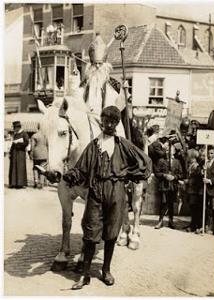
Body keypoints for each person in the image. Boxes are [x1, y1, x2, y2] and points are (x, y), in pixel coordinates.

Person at [63, 106, 152, 290]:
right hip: (96, 191)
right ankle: (85, 275)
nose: (109, 124)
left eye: (113, 121)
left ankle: (106, 270)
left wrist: (128, 173)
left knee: (111, 232)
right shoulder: (94, 145)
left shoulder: (123, 144)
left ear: (117, 123)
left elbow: (145, 162)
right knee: (90, 233)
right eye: (106, 121)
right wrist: (71, 175)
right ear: (101, 121)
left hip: (116, 191)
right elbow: (81, 169)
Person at [154, 141, 183, 229]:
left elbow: (181, 174)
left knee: (171, 204)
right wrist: (164, 175)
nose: (168, 152)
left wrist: (174, 177)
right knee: (163, 203)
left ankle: (171, 221)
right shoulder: (161, 161)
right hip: (164, 186)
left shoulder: (177, 162)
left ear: (174, 152)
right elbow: (157, 173)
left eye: (170, 150)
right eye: (166, 150)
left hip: (173, 186)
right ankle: (160, 221)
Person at [184, 150, 203, 232]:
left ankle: (194, 225)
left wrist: (188, 181)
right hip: (191, 190)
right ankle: (193, 224)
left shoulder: (196, 166)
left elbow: (196, 179)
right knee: (192, 208)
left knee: (194, 208)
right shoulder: (191, 165)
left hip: (194, 191)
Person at [203, 146, 214, 236]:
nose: (210, 155)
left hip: (213, 190)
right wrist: (203, 171)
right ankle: (206, 226)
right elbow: (203, 174)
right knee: (206, 209)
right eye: (209, 153)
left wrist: (210, 181)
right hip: (205, 190)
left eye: (212, 153)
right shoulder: (206, 163)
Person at [9, 121, 29, 189]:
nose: (14, 129)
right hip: (14, 153)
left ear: (18, 127)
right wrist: (10, 152)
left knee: (20, 167)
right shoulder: (15, 134)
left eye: (15, 128)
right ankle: (13, 183)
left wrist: (18, 144)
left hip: (21, 152)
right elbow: (12, 144)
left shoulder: (24, 134)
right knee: (14, 167)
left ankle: (20, 184)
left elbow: (26, 143)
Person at [30, 123, 48, 189]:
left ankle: (36, 182)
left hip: (36, 153)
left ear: (37, 127)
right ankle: (41, 183)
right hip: (44, 153)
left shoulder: (34, 136)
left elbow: (32, 146)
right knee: (43, 168)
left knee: (35, 167)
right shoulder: (45, 136)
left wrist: (31, 153)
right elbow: (48, 145)